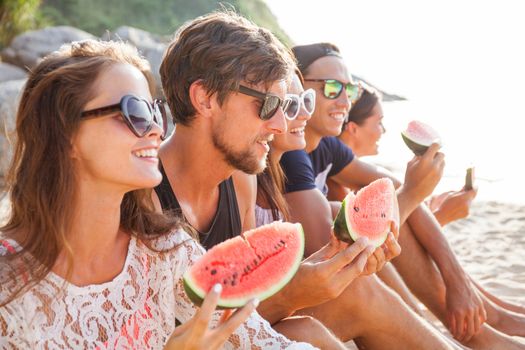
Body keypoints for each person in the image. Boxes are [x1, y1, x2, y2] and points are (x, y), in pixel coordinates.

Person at [0, 39, 316, 349]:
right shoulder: (8, 286)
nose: (155, 129)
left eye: (154, 111)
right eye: (134, 111)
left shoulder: (164, 251)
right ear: (66, 131)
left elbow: (268, 342)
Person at [281, 41, 525, 348]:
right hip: (308, 288)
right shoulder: (289, 153)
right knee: (347, 210)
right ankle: (464, 329)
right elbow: (329, 249)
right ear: (295, 90)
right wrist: (413, 193)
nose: (345, 99)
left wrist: (457, 281)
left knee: (379, 205)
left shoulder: (328, 146)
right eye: (331, 87)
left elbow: (391, 190)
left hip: (332, 278)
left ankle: (479, 327)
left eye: (350, 89)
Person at [331, 85, 525, 335]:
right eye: (379, 122)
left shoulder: (350, 173)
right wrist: (440, 215)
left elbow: (392, 227)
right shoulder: (336, 183)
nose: (384, 131)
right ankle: (495, 317)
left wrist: (431, 211)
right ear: (353, 128)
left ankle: (497, 313)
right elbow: (373, 240)